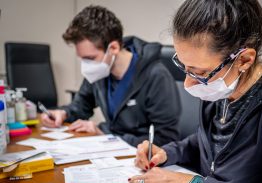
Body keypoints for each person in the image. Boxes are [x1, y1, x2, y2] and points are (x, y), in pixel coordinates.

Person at [129, 0, 262, 183]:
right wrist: (168, 152)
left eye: (199, 72)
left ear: (244, 60)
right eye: (183, 67)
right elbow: (209, 144)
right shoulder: (219, 89)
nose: (189, 84)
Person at [40, 5, 181, 147]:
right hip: (112, 152)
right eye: (82, 59)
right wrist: (63, 113)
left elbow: (165, 139)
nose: (86, 65)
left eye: (90, 58)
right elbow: (81, 105)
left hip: (141, 157)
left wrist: (106, 134)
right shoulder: (100, 70)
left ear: (113, 48)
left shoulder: (156, 75)